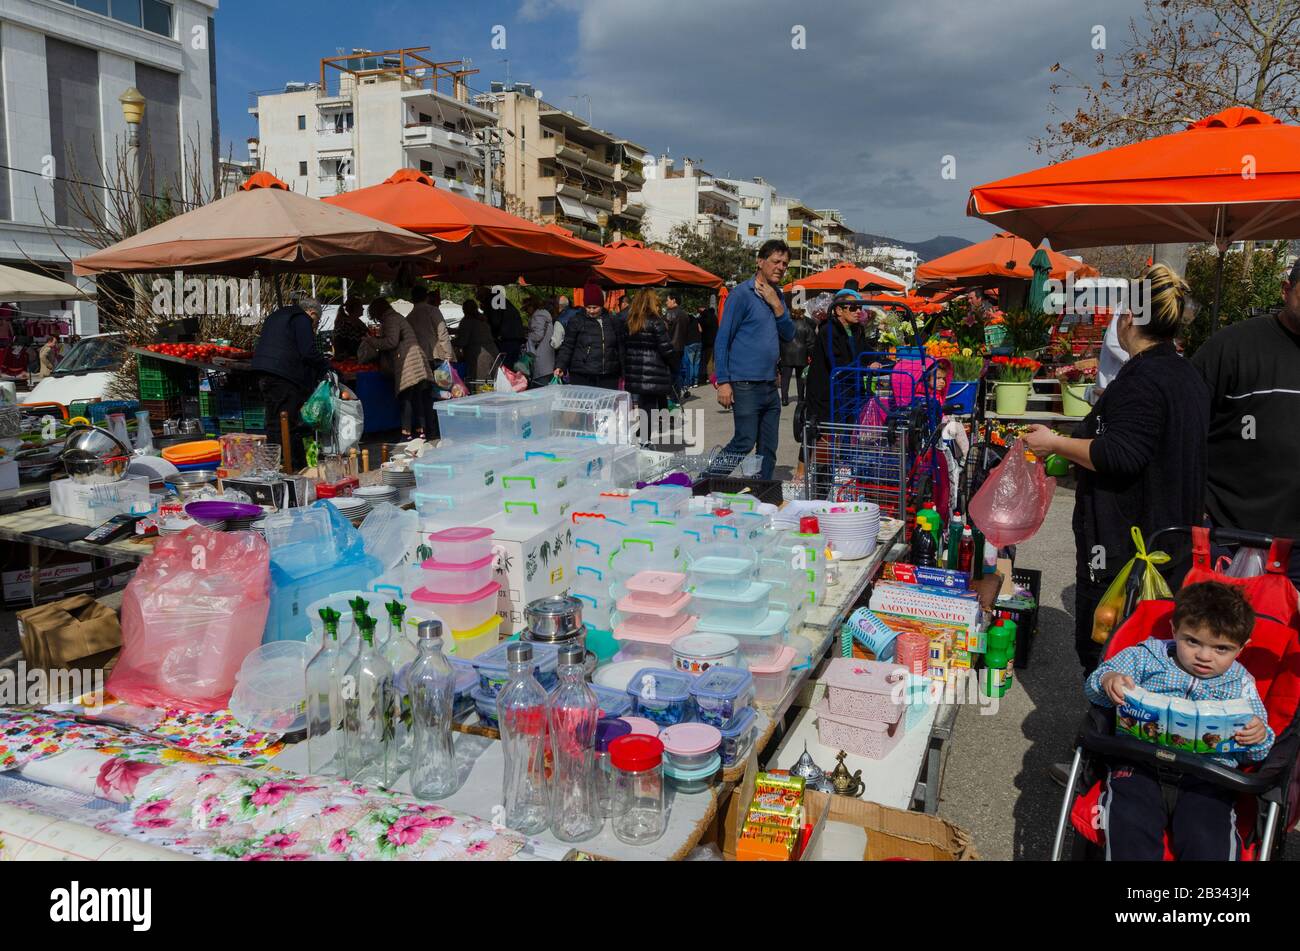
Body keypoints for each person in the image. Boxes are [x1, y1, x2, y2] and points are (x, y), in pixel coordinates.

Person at [1023, 265, 1208, 677]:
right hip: (1168, 542)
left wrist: (1054, 443)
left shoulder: (1143, 377)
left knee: (1111, 653)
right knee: (1150, 655)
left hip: (1129, 551)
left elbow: (1120, 455)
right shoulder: (1183, 373)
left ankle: (1106, 734)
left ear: (1128, 319)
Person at [1084, 581, 1272, 860]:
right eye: (1192, 641)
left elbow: (1260, 749)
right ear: (1174, 630)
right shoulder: (1146, 657)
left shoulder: (1241, 683)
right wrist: (1108, 681)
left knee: (1207, 840)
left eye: (1221, 649)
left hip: (1208, 776)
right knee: (1130, 827)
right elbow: (1095, 685)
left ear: (1242, 648)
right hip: (1139, 765)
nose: (1204, 656)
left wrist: (1257, 735)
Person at [1191, 258, 1300, 588]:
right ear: (1285, 291)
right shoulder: (1233, 345)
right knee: (1225, 636)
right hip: (1234, 535)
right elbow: (1184, 424)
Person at [711, 240, 795, 480]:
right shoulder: (741, 295)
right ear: (760, 261)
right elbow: (722, 339)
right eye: (776, 261)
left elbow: (789, 334)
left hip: (769, 384)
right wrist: (724, 381)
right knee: (744, 440)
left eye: (785, 264)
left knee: (769, 446)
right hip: (745, 383)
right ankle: (707, 481)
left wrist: (776, 304)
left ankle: (763, 488)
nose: (780, 267)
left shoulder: (777, 296)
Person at [251, 295, 329, 471]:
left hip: (264, 372)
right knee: (292, 422)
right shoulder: (302, 319)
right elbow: (308, 352)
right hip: (285, 375)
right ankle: (296, 465)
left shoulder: (279, 315)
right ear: (312, 313)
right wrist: (326, 366)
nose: (315, 325)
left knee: (273, 422)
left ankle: (276, 464)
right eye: (316, 320)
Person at [359, 297, 435, 440]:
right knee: (416, 397)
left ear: (378, 310)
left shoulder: (391, 319)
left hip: (407, 360)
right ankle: (422, 431)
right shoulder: (396, 317)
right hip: (415, 358)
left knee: (406, 397)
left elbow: (391, 342)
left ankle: (406, 433)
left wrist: (372, 341)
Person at [622, 289, 678, 446]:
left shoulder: (629, 321)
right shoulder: (655, 321)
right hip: (653, 370)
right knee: (649, 406)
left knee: (643, 404)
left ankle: (642, 438)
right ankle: (645, 441)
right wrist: (674, 366)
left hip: (635, 370)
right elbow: (666, 348)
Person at [554, 280, 624, 389]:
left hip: (608, 375)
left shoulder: (613, 321)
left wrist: (624, 370)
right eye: (588, 307)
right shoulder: (576, 321)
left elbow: (620, 347)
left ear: (601, 305)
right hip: (582, 375)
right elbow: (567, 346)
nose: (591, 311)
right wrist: (560, 366)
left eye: (595, 307)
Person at [452, 298, 500, 384]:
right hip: (493, 353)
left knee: (481, 385)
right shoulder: (482, 319)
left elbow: (463, 341)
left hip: (479, 357)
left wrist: (451, 342)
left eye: (463, 308)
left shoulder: (467, 321)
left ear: (465, 309)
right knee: (495, 383)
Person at [405, 285, 455, 366]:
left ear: (412, 299)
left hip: (419, 356)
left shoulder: (409, 317)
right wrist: (448, 355)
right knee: (441, 378)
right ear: (426, 297)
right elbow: (442, 333)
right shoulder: (432, 310)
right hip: (435, 355)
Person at [779, 306, 816, 407]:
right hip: (801, 354)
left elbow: (779, 339)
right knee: (800, 378)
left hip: (786, 353)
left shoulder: (785, 325)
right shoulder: (805, 326)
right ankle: (800, 398)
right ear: (801, 314)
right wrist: (811, 355)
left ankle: (785, 399)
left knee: (785, 378)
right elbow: (811, 343)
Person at [525, 295, 557, 388]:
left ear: (531, 306)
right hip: (547, 355)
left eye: (527, 308)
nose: (526, 312)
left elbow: (537, 336)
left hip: (540, 355)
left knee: (540, 385)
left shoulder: (538, 315)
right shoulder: (545, 314)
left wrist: (528, 336)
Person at [697, 303, 718, 387]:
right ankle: (714, 377)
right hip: (715, 340)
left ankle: (712, 379)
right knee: (713, 360)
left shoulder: (703, 317)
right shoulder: (714, 316)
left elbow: (703, 327)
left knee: (708, 361)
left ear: (701, 309)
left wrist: (698, 321)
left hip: (707, 341)